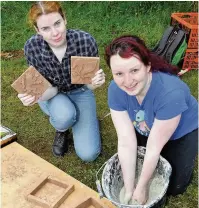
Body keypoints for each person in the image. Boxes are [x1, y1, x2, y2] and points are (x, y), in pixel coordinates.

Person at [105, 35, 198, 204]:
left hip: (182, 132)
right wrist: (129, 187)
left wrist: (141, 189)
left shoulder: (170, 93)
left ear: (148, 66)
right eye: (119, 73)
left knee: (175, 188)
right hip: (146, 123)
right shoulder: (115, 90)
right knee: (137, 161)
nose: (128, 82)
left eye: (134, 70)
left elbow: (153, 148)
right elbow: (126, 142)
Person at [17, 1, 105, 162]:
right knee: (65, 115)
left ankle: (85, 120)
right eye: (45, 28)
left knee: (89, 154)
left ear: (64, 19)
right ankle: (62, 128)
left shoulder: (84, 41)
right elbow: (44, 90)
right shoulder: (32, 47)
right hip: (52, 92)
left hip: (80, 91)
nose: (55, 33)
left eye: (57, 23)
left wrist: (95, 82)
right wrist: (32, 96)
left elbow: (88, 84)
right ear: (38, 31)